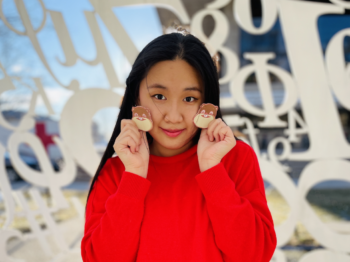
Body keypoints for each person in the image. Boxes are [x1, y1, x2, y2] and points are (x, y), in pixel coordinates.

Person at [81, 32, 277, 262]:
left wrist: (213, 172)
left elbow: (254, 254)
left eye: (189, 99)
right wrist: (133, 177)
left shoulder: (235, 159)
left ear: (208, 103)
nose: (173, 117)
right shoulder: (116, 173)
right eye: (159, 96)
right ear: (136, 99)